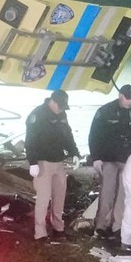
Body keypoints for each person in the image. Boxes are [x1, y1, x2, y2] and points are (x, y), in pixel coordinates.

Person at [88, 84, 131, 239]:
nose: (130, 102)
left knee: (122, 195)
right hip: (109, 160)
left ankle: (117, 226)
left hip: (128, 161)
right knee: (106, 192)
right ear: (120, 95)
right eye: (127, 98)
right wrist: (96, 158)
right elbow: (94, 135)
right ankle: (100, 226)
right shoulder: (105, 111)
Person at [25, 89, 80, 242]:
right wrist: (33, 162)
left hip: (58, 161)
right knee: (43, 198)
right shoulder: (37, 115)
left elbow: (67, 135)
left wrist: (74, 152)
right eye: (60, 106)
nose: (61, 109)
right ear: (52, 102)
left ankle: (58, 228)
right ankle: (40, 232)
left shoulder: (62, 114)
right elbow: (30, 140)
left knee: (59, 196)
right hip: (43, 162)